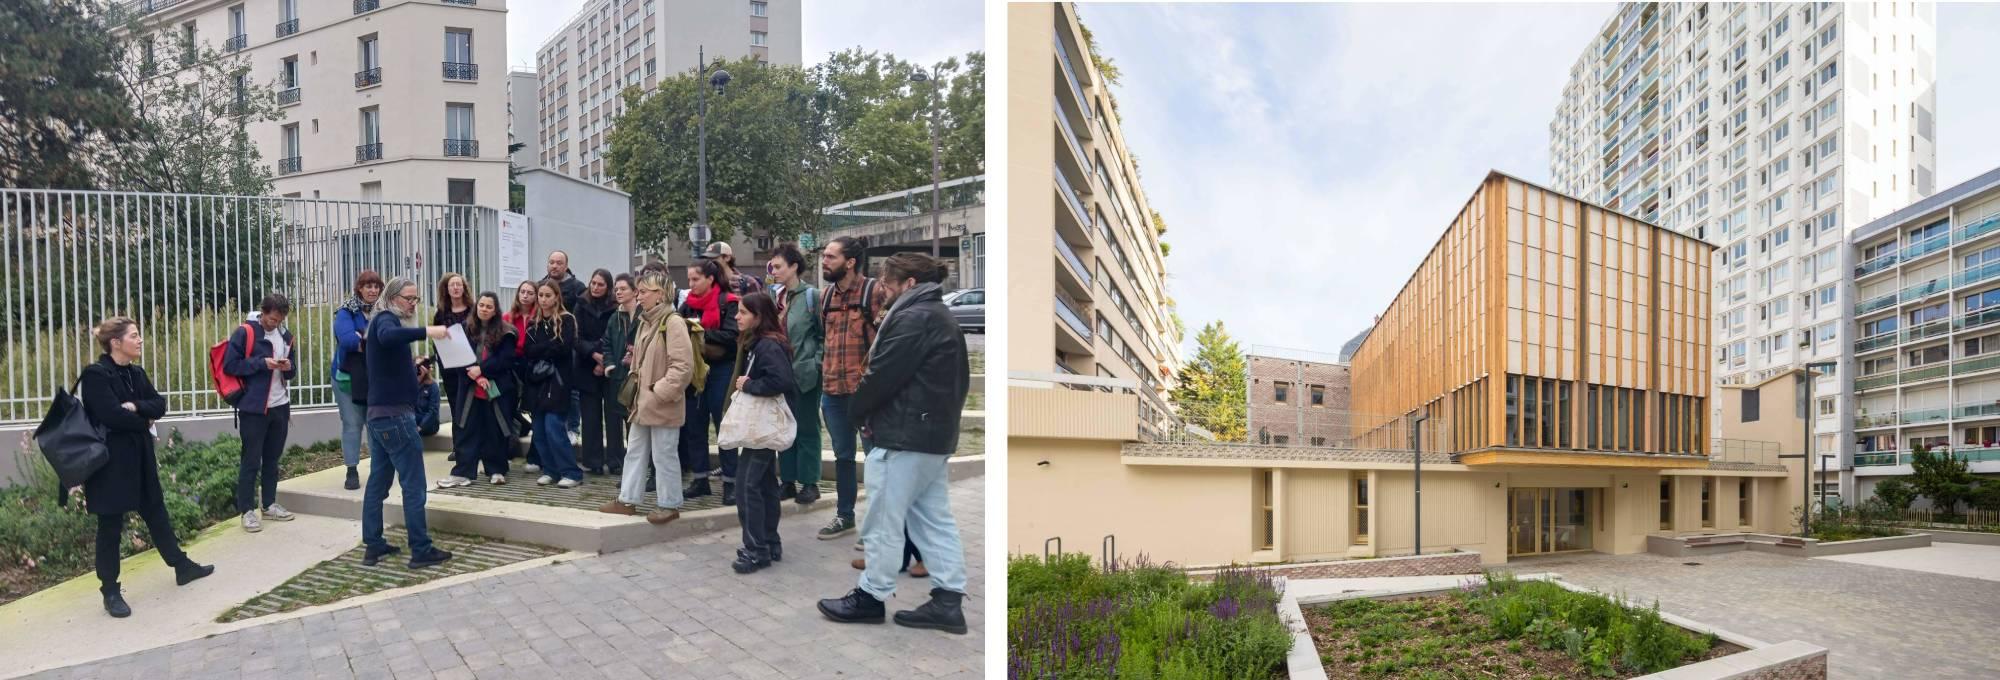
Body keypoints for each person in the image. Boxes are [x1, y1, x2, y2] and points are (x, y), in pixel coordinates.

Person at [817, 254, 970, 634]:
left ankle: (871, 596)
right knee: (933, 520)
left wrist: (856, 413)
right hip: (930, 435)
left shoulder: (914, 317)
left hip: (904, 435)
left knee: (883, 520)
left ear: (909, 283)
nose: (881, 288)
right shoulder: (938, 316)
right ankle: (948, 600)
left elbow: (881, 374)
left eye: (886, 282)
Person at [80, 316, 215, 618]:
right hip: (109, 464)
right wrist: (144, 419)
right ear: (116, 343)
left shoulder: (135, 373)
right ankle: (110, 591)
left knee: (156, 511)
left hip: (139, 456)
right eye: (134, 335)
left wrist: (137, 407)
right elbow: (111, 416)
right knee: (110, 526)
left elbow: (159, 404)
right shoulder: (96, 375)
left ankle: (181, 566)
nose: (140, 340)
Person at [361, 277, 456, 570]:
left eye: (416, 299)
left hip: (379, 416)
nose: (413, 304)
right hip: (395, 418)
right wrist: (429, 331)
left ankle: (373, 545)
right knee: (413, 485)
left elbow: (388, 355)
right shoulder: (386, 320)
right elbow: (389, 336)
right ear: (392, 298)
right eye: (409, 299)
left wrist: (412, 366)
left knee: (378, 482)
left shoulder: (381, 322)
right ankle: (421, 549)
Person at [600, 273, 693, 524]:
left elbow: (683, 367)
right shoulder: (646, 321)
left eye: (644, 291)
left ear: (659, 295)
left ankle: (669, 504)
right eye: (638, 291)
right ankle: (627, 500)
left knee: (664, 455)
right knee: (635, 451)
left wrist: (659, 392)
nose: (639, 296)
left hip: (661, 403)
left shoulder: (673, 322)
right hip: (642, 403)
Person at [815, 236, 886, 540]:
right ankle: (845, 516)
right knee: (843, 457)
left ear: (850, 262)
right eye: (824, 256)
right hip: (832, 392)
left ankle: (879, 526)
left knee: (876, 459)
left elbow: (888, 340)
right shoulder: (825, 297)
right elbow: (823, 339)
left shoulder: (875, 292)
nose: (824, 261)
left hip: (866, 394)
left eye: (831, 257)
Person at [727, 292, 796, 574]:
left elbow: (781, 380)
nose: (737, 317)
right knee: (765, 484)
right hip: (761, 427)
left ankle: (756, 551)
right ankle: (769, 542)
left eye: (743, 312)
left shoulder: (767, 345)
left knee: (747, 487)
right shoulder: (760, 342)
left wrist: (749, 385)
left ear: (758, 316)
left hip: (763, 427)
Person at [223, 293, 299, 533]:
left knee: (272, 459)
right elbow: (230, 365)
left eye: (279, 320)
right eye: (271, 319)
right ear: (263, 312)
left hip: (280, 406)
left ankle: (268, 504)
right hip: (253, 408)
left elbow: (292, 372)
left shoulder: (286, 336)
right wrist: (261, 363)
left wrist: (288, 367)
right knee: (251, 460)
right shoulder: (245, 333)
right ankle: (247, 511)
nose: (274, 324)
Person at [678, 259, 740, 504]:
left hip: (722, 369)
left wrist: (700, 331)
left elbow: (732, 335)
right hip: (695, 370)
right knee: (694, 425)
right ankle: (700, 479)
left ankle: (731, 483)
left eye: (695, 279)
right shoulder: (686, 306)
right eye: (689, 279)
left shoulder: (729, 303)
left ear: (710, 279)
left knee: (724, 426)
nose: (691, 284)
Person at [767, 244, 824, 505]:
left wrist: (815, 363)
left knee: (807, 428)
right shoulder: (774, 296)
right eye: (772, 267)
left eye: (778, 266)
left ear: (794, 267)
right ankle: (787, 481)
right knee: (783, 429)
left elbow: (823, 335)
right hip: (779, 375)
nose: (774, 271)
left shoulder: (812, 296)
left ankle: (810, 483)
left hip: (805, 373)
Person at [441, 292, 517, 487]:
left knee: (495, 429)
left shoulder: (507, 332)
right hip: (469, 388)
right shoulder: (464, 328)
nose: (484, 309)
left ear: (495, 310)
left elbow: (505, 359)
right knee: (466, 429)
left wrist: (482, 370)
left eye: (489, 306)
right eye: (481, 305)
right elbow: (457, 356)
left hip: (496, 388)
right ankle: (463, 472)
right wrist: (476, 375)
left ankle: (496, 469)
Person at [524, 279, 585, 487]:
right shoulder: (533, 323)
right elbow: (528, 351)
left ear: (556, 297)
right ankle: (550, 470)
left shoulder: (567, 320)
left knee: (554, 428)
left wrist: (542, 348)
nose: (543, 299)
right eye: (540, 295)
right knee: (539, 431)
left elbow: (563, 348)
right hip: (537, 382)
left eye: (547, 295)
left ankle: (571, 472)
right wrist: (547, 347)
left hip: (558, 382)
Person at [333, 271, 384, 490]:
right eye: (368, 286)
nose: (373, 290)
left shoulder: (384, 311)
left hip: (376, 376)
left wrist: (361, 338)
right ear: (359, 289)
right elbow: (346, 340)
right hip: (347, 378)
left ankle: (378, 469)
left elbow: (391, 337)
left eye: (376, 286)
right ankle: (351, 470)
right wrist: (373, 341)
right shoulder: (346, 311)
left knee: (375, 424)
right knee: (352, 424)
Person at [574, 269, 621, 475]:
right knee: (590, 416)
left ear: (608, 287)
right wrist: (593, 355)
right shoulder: (581, 304)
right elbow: (575, 337)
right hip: (587, 367)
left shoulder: (616, 307)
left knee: (613, 416)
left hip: (610, 366)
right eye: (593, 283)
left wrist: (603, 360)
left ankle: (616, 461)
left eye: (600, 284)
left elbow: (615, 336)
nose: (595, 287)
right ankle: (592, 461)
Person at [601, 274, 639, 480]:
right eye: (616, 289)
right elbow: (606, 343)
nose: (618, 292)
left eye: (623, 288)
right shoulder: (614, 317)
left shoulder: (643, 315)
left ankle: (637, 466)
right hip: (616, 376)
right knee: (613, 421)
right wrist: (610, 364)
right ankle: (616, 463)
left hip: (636, 377)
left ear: (635, 291)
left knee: (634, 424)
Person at [432, 273, 475, 446]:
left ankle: (474, 446)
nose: (456, 288)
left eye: (459, 284)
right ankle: (458, 447)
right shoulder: (441, 314)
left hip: (471, 367)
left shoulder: (473, 310)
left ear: (464, 288)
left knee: (471, 406)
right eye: (452, 285)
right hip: (450, 367)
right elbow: (436, 339)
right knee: (455, 405)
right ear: (447, 289)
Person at [546, 251, 586, 437]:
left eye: (559, 263)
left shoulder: (578, 287)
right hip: (548, 344)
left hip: (571, 346)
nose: (554, 266)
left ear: (566, 266)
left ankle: (573, 428)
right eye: (552, 262)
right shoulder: (541, 285)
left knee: (573, 389)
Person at [505, 280, 538, 465]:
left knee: (534, 409)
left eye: (530, 293)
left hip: (533, 364)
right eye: (522, 292)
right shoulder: (508, 317)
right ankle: (508, 451)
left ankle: (535, 456)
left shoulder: (540, 317)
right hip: (513, 364)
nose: (525, 295)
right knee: (510, 408)